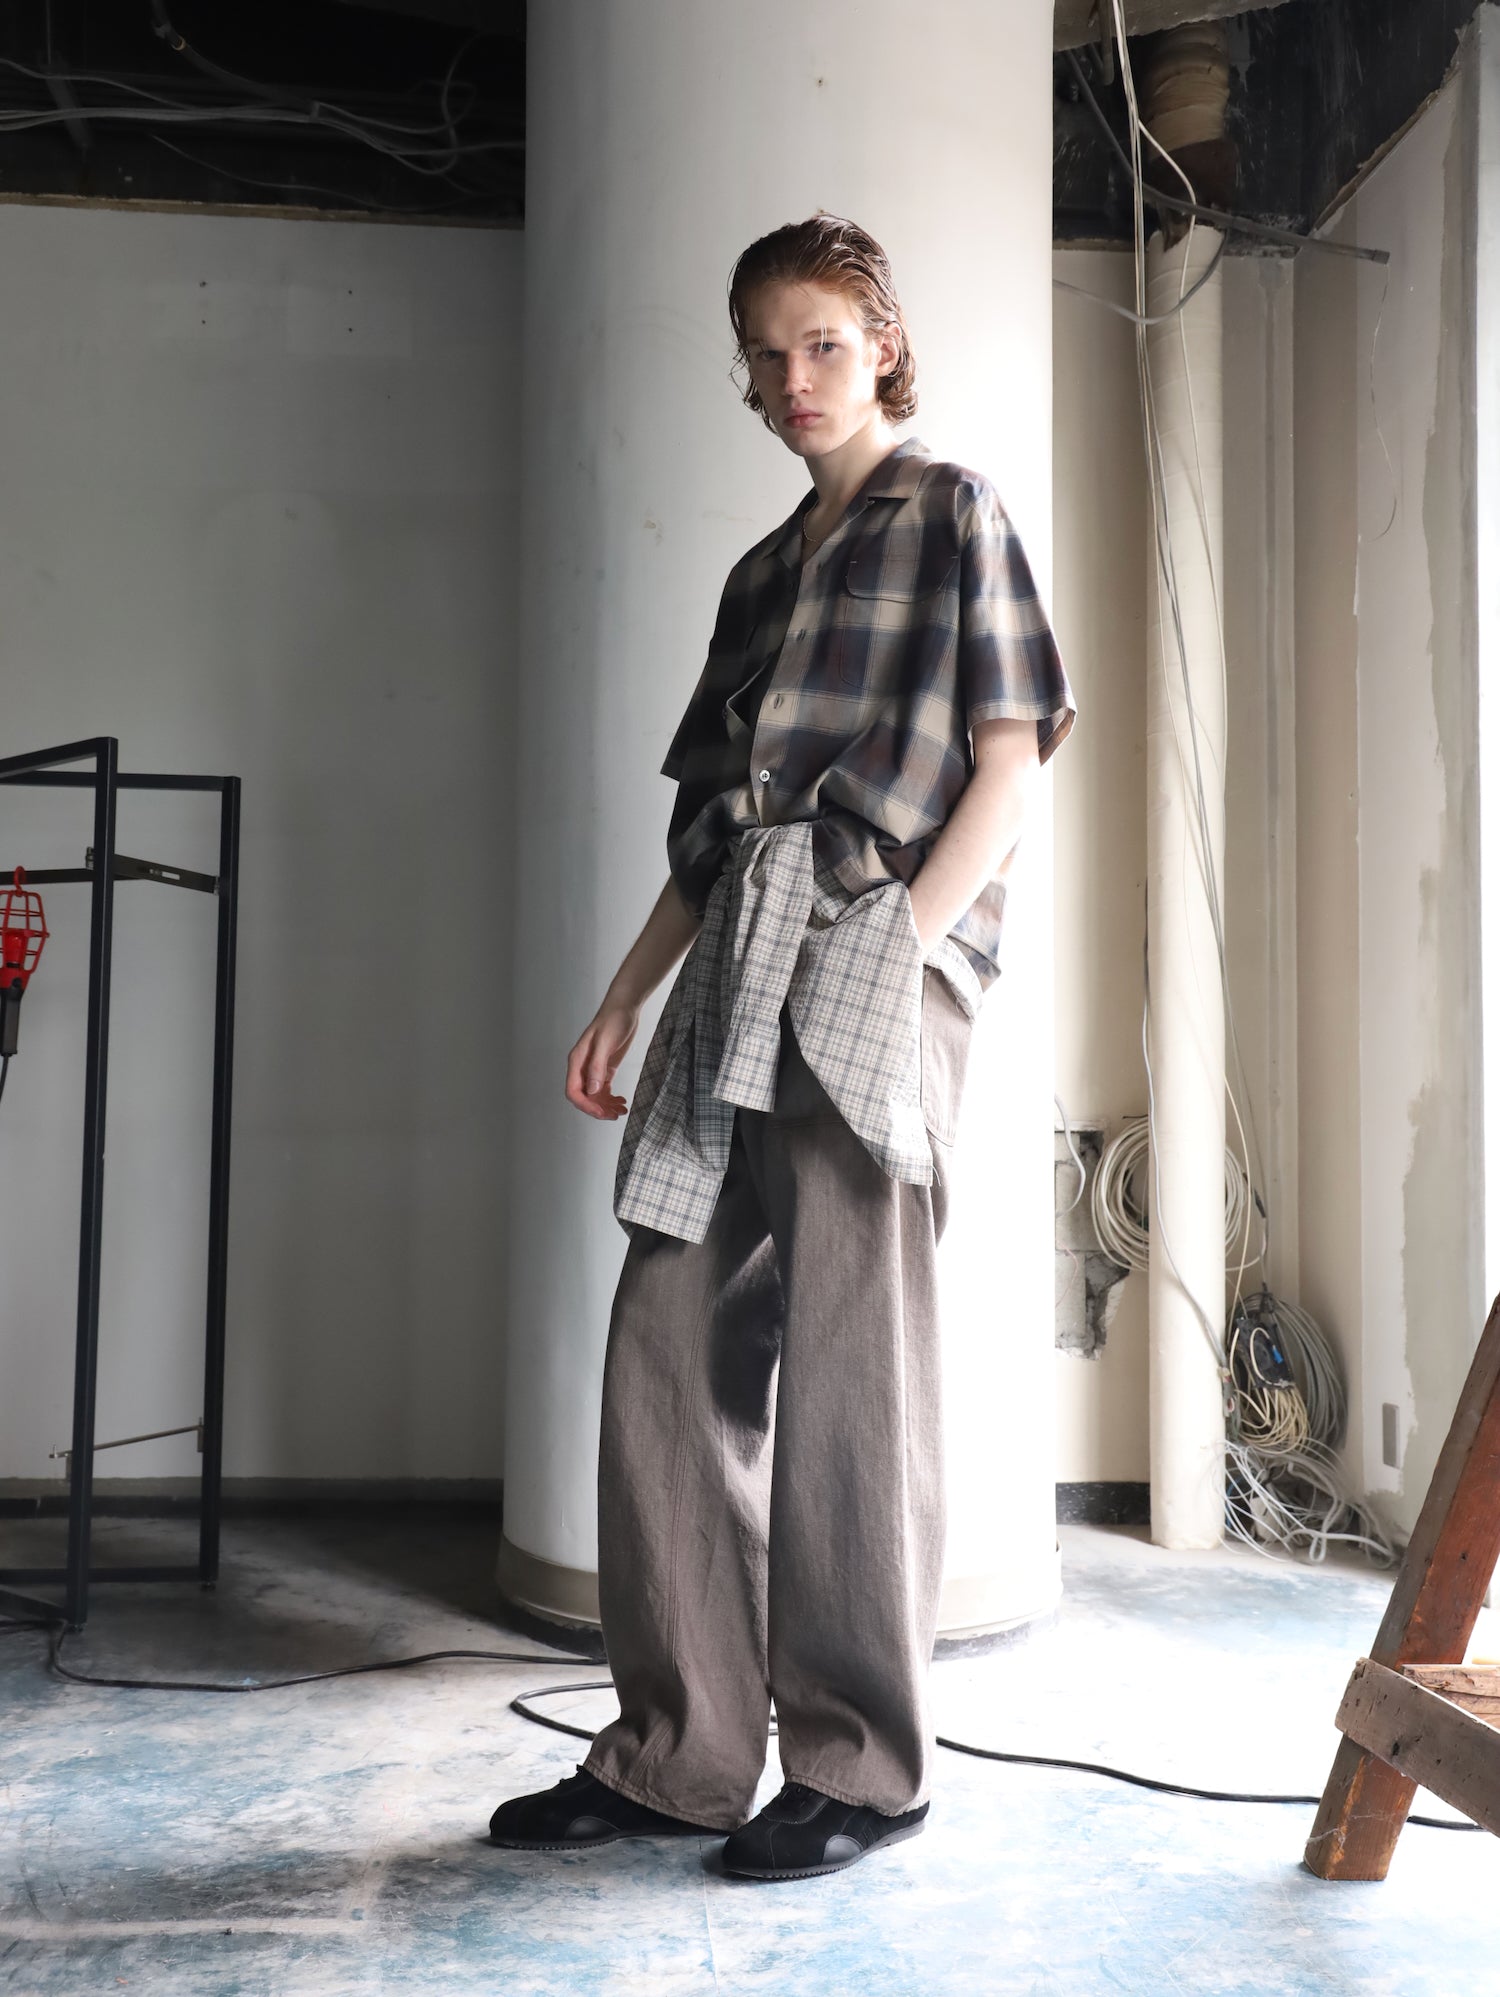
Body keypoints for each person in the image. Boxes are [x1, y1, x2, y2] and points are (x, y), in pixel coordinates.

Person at [489, 213, 1075, 1881]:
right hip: (738, 948)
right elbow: (710, 831)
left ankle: (861, 1768)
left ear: (882, 341)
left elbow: (1013, 756)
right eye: (764, 350)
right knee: (666, 1332)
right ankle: (677, 1755)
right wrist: (626, 992)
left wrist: (903, 938)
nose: (792, 376)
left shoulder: (952, 510)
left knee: (849, 1357)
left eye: (822, 341)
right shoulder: (760, 574)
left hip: (878, 928)